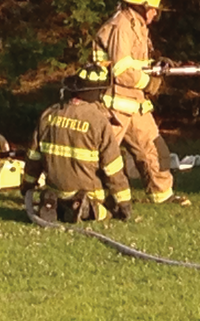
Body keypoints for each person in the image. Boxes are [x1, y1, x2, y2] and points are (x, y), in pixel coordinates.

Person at [91, 0, 190, 206]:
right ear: (142, 6)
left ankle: (162, 195)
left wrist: (156, 67)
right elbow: (121, 70)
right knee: (102, 154)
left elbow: (137, 63)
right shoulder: (122, 27)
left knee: (153, 149)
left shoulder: (138, 26)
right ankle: (88, 194)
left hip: (133, 103)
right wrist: (149, 83)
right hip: (113, 104)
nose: (155, 13)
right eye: (153, 8)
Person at [21, 64, 132, 223]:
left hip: (55, 188)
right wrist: (123, 202)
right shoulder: (98, 120)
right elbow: (112, 167)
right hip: (88, 191)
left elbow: (33, 157)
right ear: (100, 92)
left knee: (59, 195)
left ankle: (52, 204)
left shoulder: (49, 114)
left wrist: (27, 186)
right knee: (107, 210)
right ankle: (87, 208)